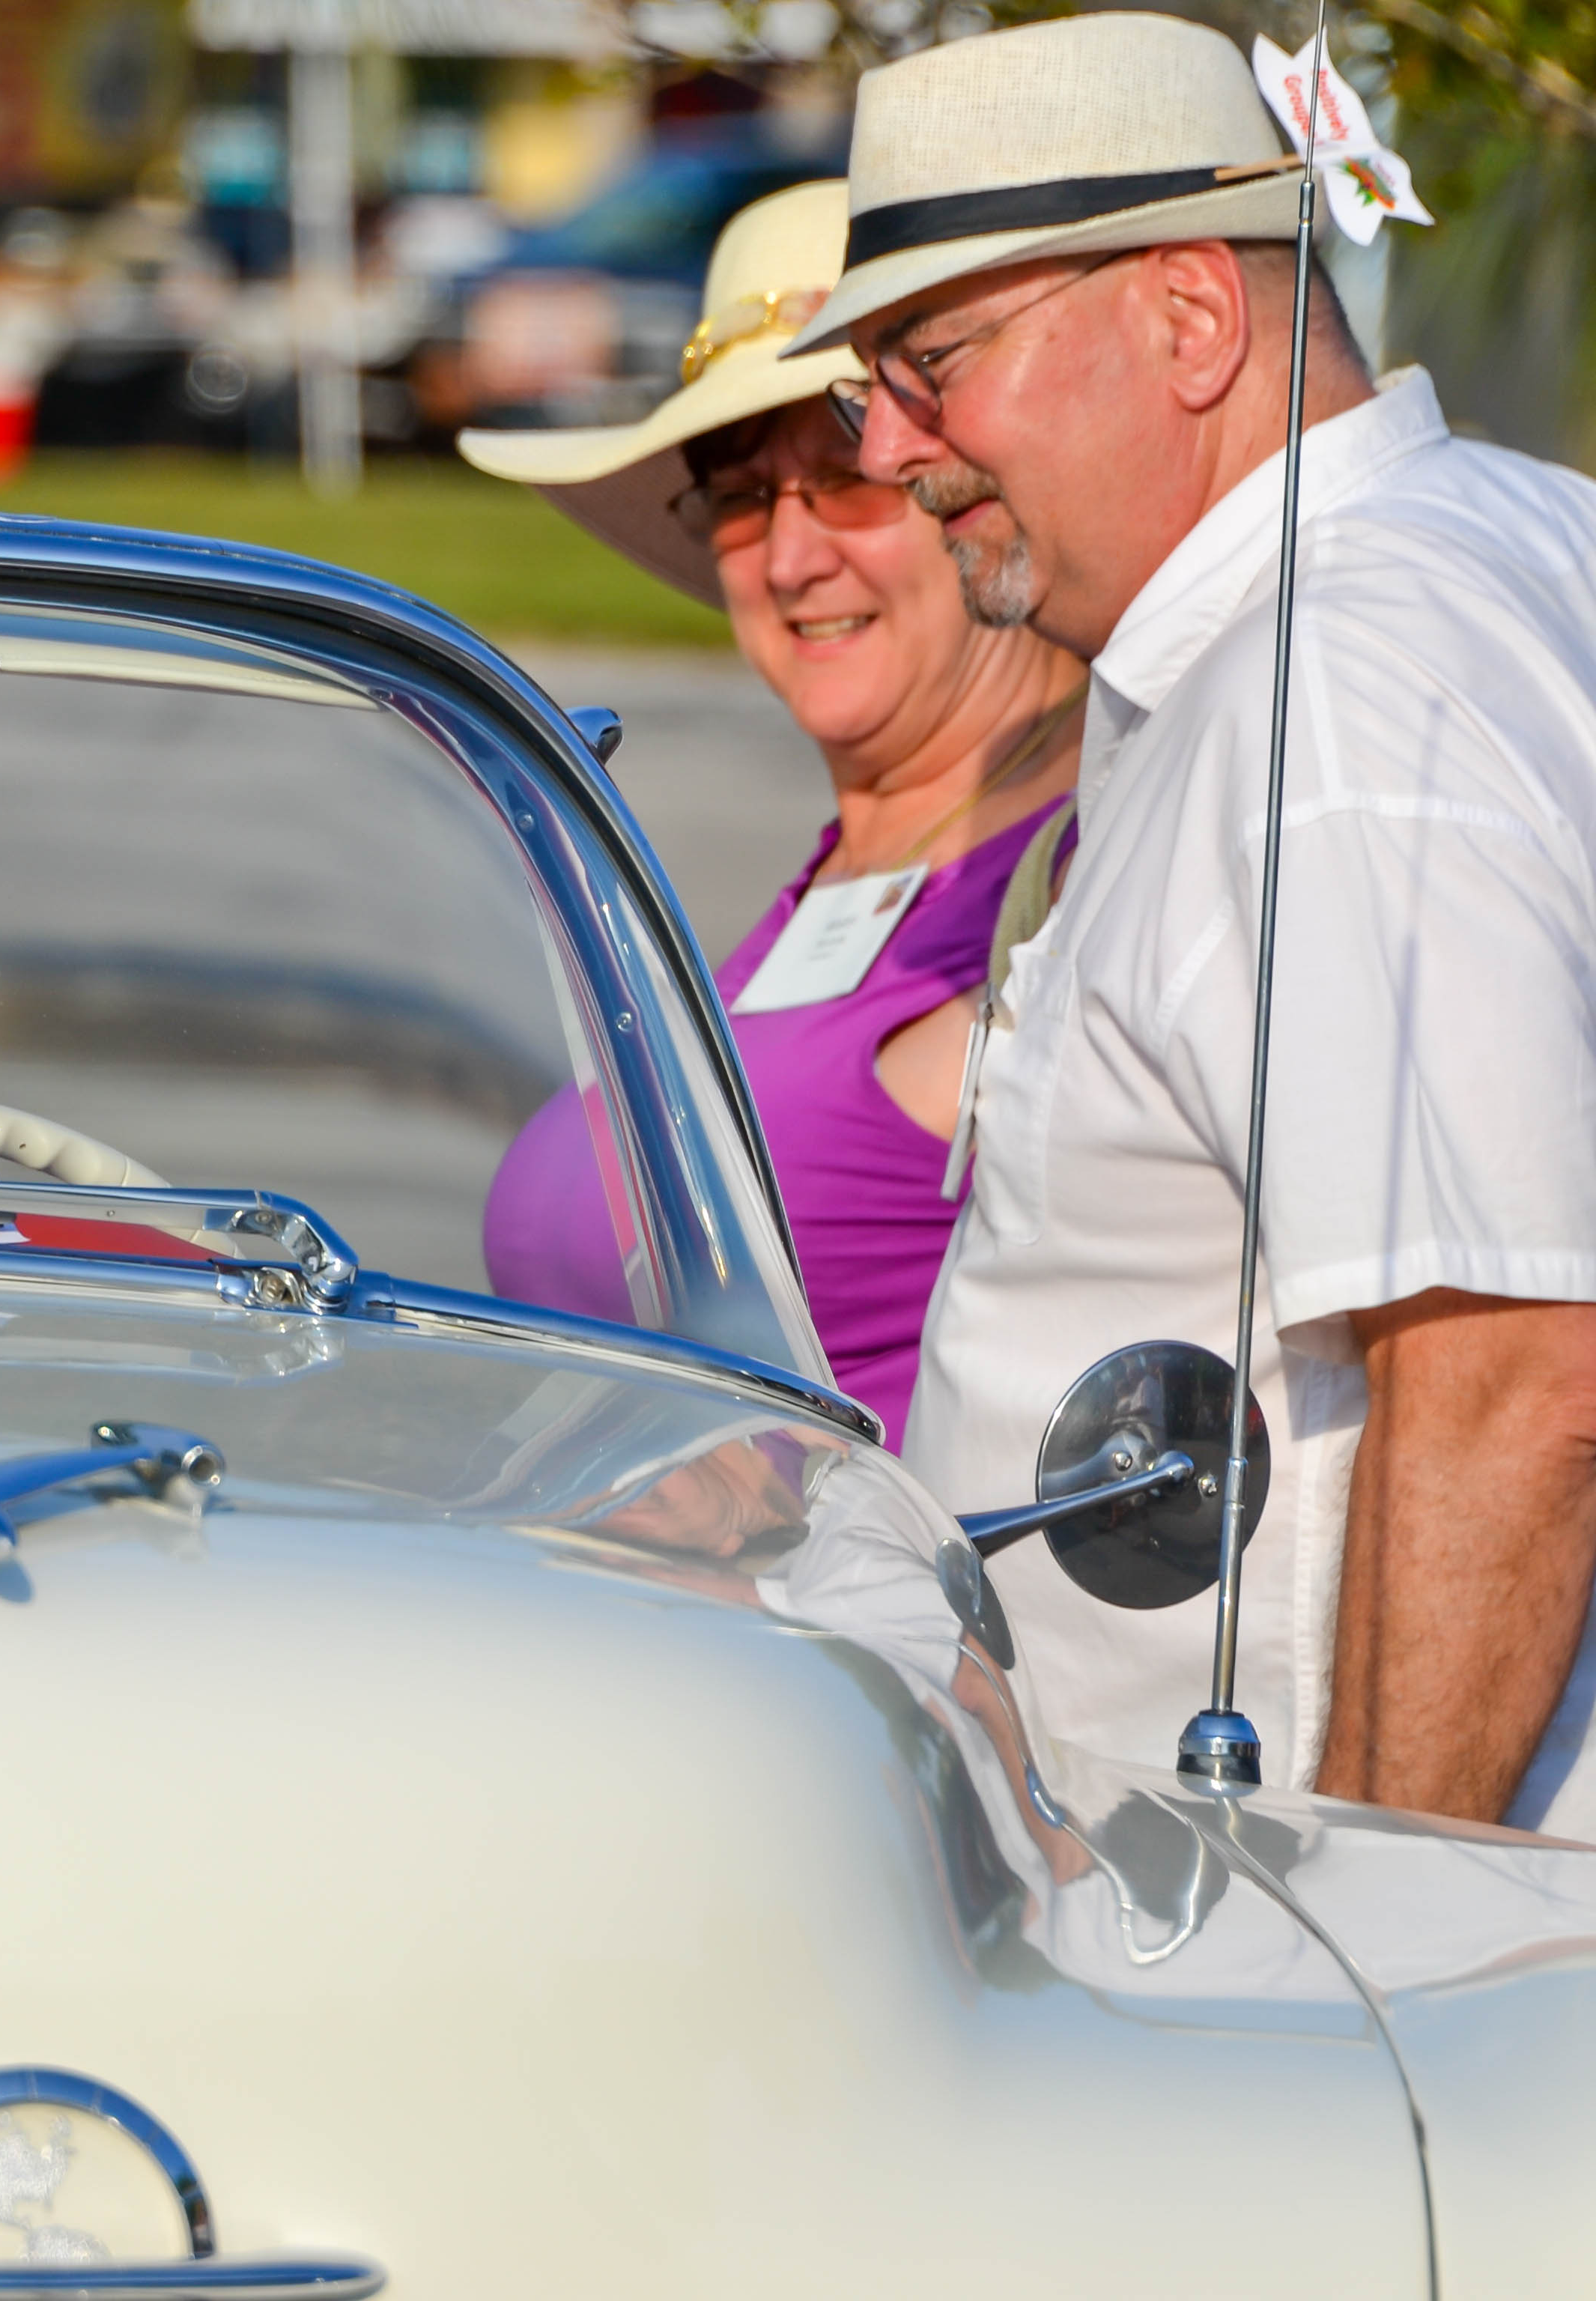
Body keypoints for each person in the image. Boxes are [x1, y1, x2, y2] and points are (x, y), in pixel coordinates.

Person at [785, 13, 1596, 1828]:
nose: (893, 451)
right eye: (868, 388)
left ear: (1192, 316)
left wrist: (1372, 1935)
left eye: (931, 364)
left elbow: (1512, 1374)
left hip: (1344, 1925)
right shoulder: (1510, 549)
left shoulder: (1339, 685)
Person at [460, 182, 1084, 1449]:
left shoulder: (1088, 869)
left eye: (847, 476)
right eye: (741, 494)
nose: (791, 560)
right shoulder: (850, 874)